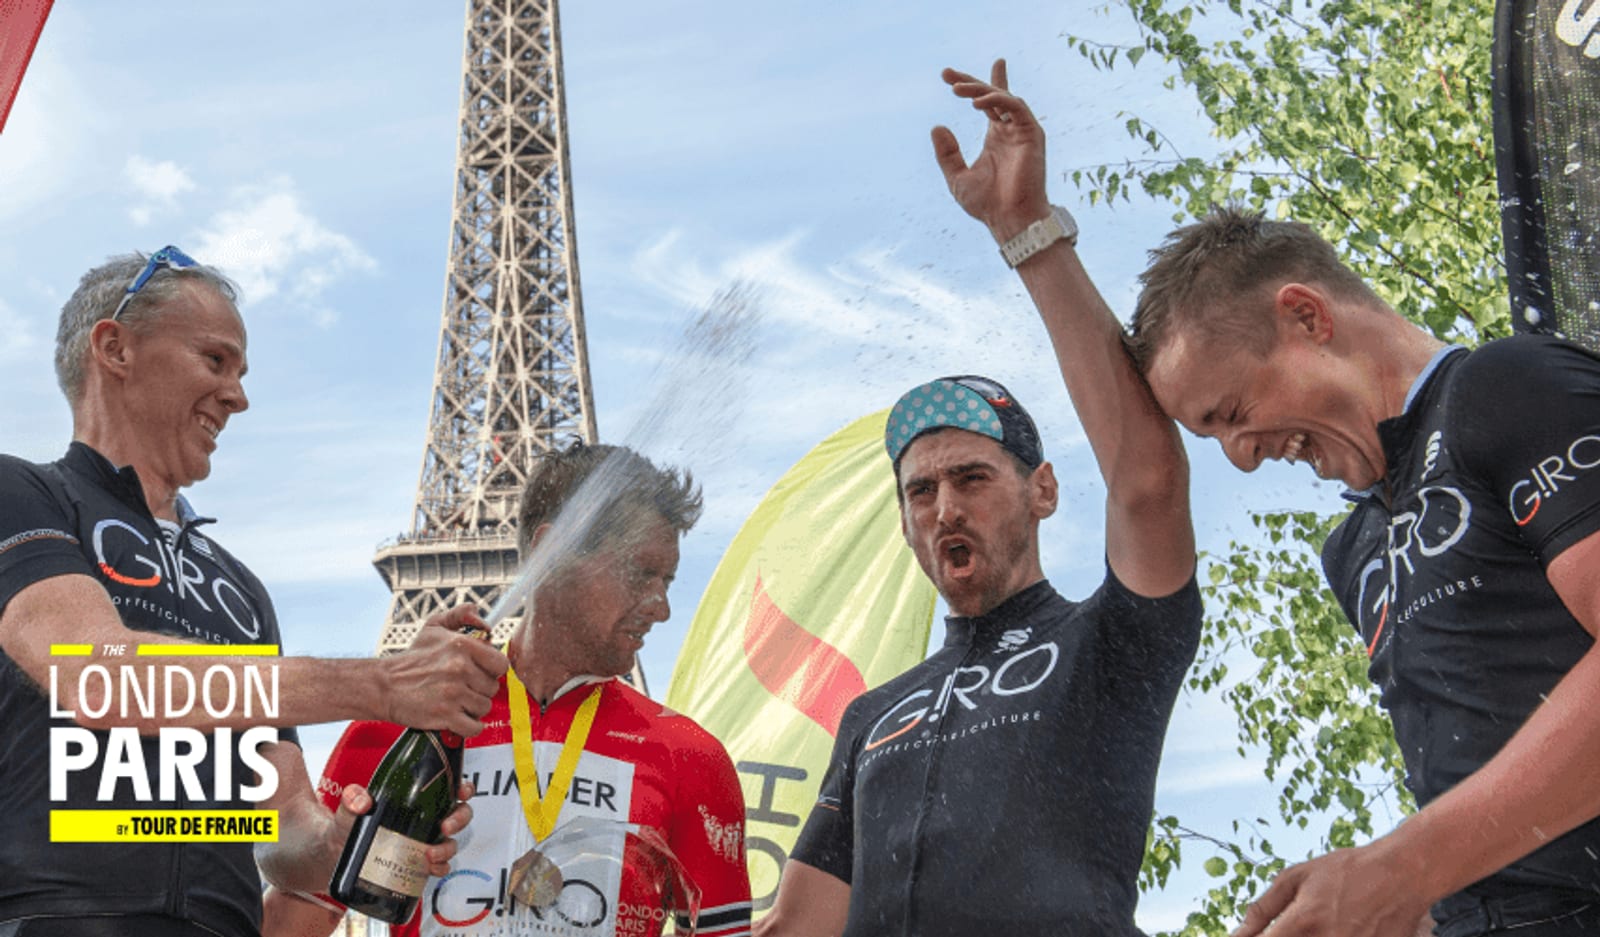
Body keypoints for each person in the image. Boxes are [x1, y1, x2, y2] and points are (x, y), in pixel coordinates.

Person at [756, 62, 1202, 937]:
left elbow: (1148, 481)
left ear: (1043, 490)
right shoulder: (873, 715)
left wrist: (1025, 227)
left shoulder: (1112, 640)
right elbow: (796, 928)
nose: (943, 509)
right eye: (919, 491)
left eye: (972, 478)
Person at [0, 247, 508, 937]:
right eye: (216, 361)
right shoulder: (25, 494)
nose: (239, 396)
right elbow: (99, 674)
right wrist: (381, 684)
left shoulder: (242, 589)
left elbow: (280, 831)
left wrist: (348, 843)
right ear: (114, 348)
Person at [1124, 201, 1600, 932]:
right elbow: (1492, 821)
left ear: (1308, 317)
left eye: (1231, 412)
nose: (1242, 456)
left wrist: (1405, 866)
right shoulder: (1353, 552)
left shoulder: (1507, 386)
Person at [277, 442, 754, 937]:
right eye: (640, 573)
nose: (661, 607)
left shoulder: (694, 760)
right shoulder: (397, 727)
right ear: (553, 552)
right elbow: (292, 921)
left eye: (668, 580)